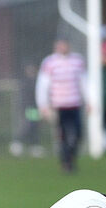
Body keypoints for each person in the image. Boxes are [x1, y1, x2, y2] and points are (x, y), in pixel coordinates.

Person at [37, 38, 87, 172]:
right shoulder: (50, 62)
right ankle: (65, 162)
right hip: (59, 106)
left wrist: (90, 101)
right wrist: (43, 105)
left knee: (77, 134)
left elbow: (84, 82)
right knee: (62, 135)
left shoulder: (77, 61)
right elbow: (43, 85)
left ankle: (72, 157)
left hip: (74, 104)